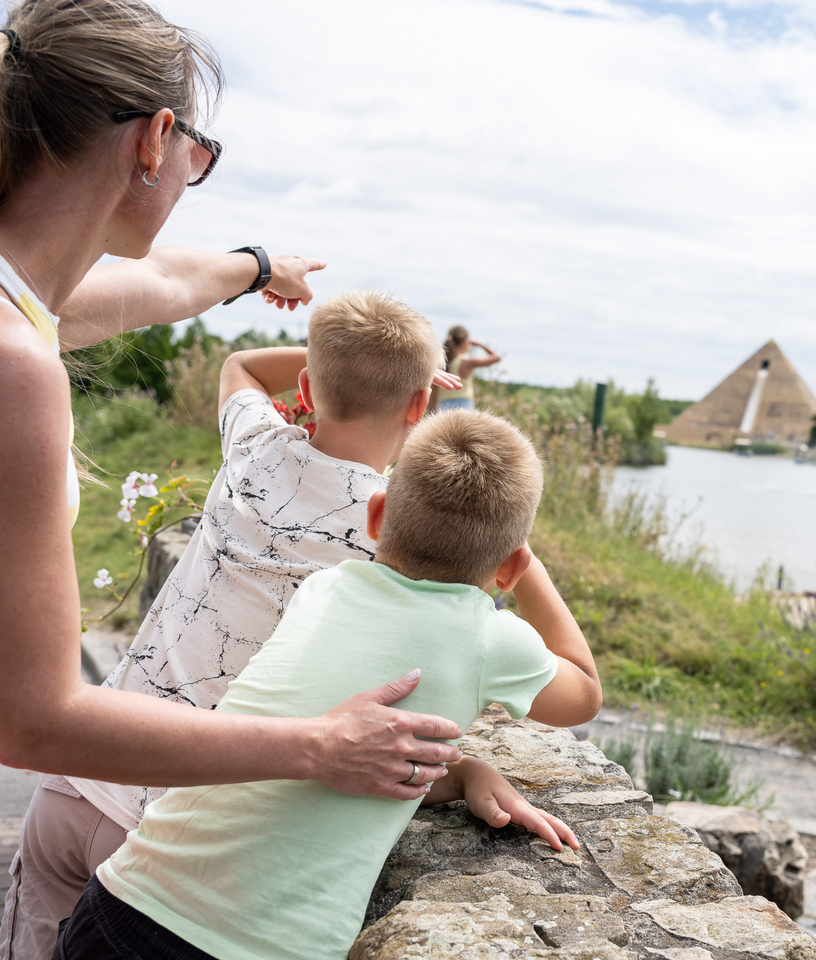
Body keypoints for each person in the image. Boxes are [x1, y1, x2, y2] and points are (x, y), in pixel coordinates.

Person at [0, 0, 467, 940]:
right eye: (197, 159)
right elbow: (31, 717)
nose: (190, 180)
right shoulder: (17, 369)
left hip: (67, 809)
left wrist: (258, 266)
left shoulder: (28, 303)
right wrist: (321, 746)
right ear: (155, 140)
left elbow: (169, 285)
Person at [0, 291, 473, 957]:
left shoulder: (254, 447)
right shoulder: (392, 538)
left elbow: (241, 366)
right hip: (172, 827)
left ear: (306, 388)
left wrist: (337, 359)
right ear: (420, 409)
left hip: (76, 780)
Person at [56, 408, 604, 960]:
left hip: (121, 899)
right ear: (508, 568)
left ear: (377, 516)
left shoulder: (323, 589)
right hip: (253, 947)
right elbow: (583, 692)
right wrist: (526, 567)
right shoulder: (488, 637)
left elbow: (341, 742)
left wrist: (463, 774)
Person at [431, 324, 502, 411]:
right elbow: (497, 357)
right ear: (465, 343)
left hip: (443, 407)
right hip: (464, 407)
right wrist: (479, 344)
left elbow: (433, 394)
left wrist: (430, 412)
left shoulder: (439, 364)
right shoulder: (466, 362)